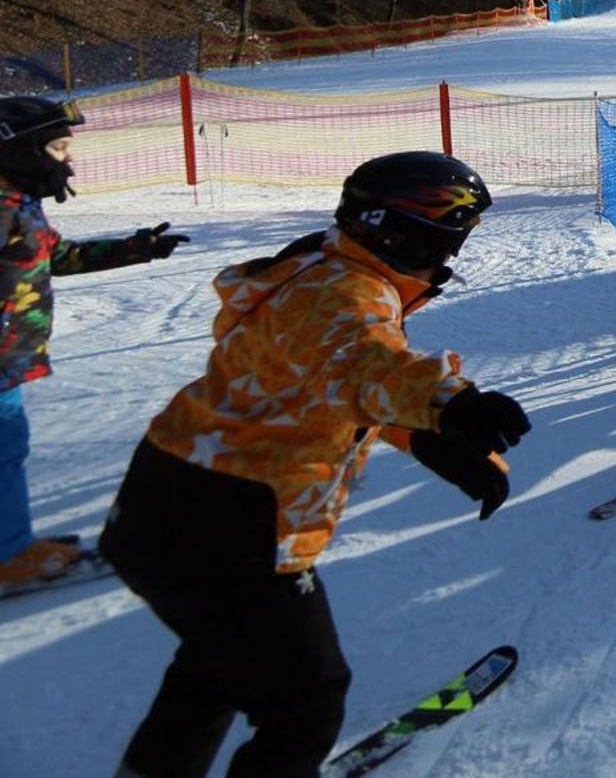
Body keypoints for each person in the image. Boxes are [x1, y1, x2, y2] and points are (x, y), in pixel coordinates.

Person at [103, 151, 526, 777]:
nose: (453, 253)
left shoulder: (318, 267)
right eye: (453, 233)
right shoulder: (344, 294)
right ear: (408, 229)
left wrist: (428, 439)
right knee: (307, 702)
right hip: (235, 524)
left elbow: (325, 381)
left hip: (169, 499)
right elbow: (361, 360)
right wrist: (450, 405)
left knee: (217, 666)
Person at [0, 98, 187, 592]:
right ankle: (9, 555)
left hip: (9, 356)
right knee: (4, 446)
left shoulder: (18, 203)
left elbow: (58, 256)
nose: (67, 159)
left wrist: (135, 249)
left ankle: (9, 541)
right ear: (19, 150)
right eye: (58, 147)